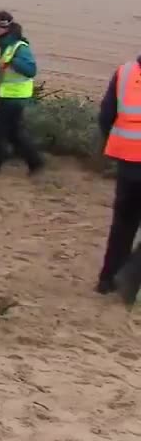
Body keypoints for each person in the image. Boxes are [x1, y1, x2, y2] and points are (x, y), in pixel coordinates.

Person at [95, 55, 141, 299]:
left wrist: (113, 144)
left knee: (123, 223)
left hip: (127, 161)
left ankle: (107, 278)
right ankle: (129, 278)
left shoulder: (124, 72)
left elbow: (106, 116)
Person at [0, 18, 44, 175]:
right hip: (8, 95)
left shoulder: (19, 48)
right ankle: (35, 163)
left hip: (15, 97)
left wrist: (13, 62)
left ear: (5, 28)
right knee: (14, 133)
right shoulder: (6, 46)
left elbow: (31, 70)